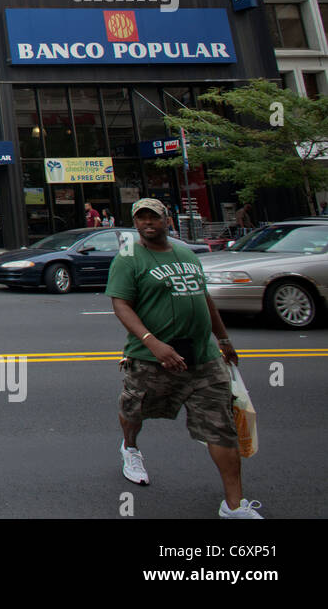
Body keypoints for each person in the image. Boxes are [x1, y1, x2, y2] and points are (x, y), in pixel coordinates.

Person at [106, 197, 261, 518]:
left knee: (222, 427)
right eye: (141, 218)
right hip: (152, 358)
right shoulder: (128, 258)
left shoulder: (186, 253)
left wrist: (224, 339)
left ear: (167, 220)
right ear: (135, 223)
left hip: (203, 358)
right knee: (135, 408)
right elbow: (121, 304)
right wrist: (154, 343)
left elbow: (204, 299)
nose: (147, 223)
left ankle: (234, 505)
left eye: (154, 217)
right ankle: (130, 448)